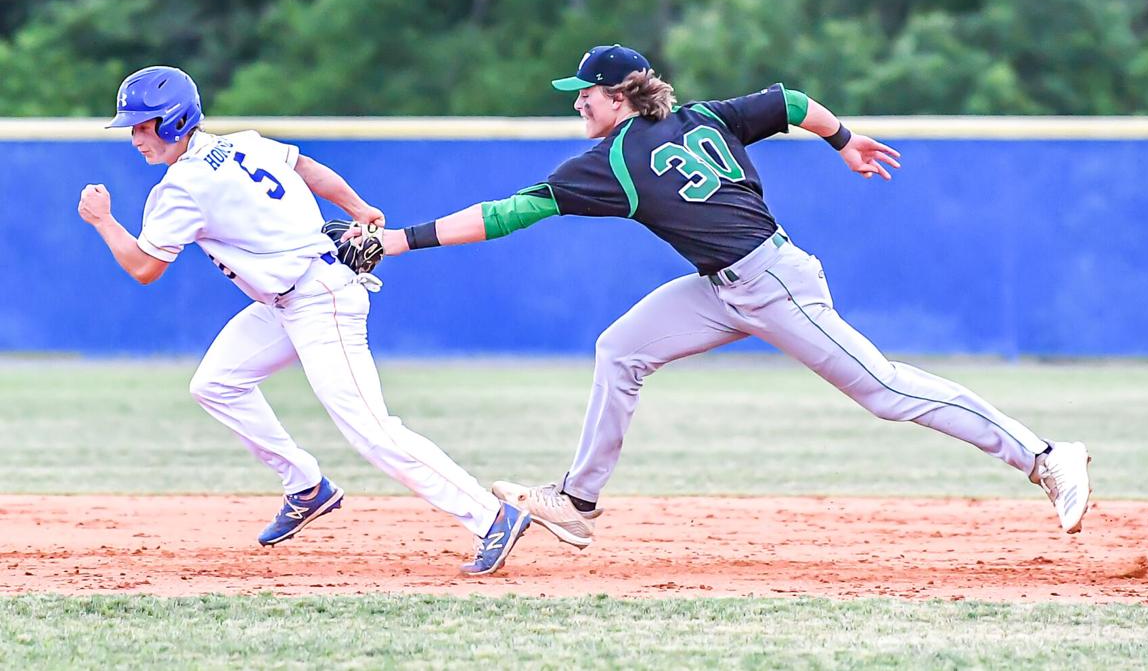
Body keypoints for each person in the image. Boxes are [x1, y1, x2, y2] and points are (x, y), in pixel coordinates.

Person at [365, 44, 1092, 549]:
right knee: (620, 349)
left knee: (885, 390)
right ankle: (578, 501)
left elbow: (504, 213)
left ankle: (1047, 455)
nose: (577, 101)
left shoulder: (611, 160)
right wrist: (842, 140)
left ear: (617, 96)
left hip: (775, 282)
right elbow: (789, 100)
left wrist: (399, 240)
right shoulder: (706, 116)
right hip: (724, 286)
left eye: (583, 92)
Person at [77, 65, 530, 575]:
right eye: (132, 127)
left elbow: (143, 267)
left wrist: (103, 220)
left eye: (144, 125)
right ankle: (305, 485)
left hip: (320, 300)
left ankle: (492, 516)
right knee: (216, 384)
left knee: (372, 430)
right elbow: (308, 168)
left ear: (176, 120)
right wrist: (358, 206)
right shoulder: (244, 142)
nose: (135, 137)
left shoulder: (180, 187)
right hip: (288, 300)